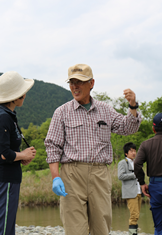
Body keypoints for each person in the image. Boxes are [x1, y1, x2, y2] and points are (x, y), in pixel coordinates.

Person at [45, 64, 142, 235]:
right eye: (72, 82)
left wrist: (133, 106)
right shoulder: (61, 112)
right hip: (72, 176)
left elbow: (128, 128)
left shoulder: (105, 110)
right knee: (75, 230)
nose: (75, 86)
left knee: (101, 228)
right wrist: (55, 178)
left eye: (80, 82)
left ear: (91, 83)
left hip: (99, 175)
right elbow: (52, 146)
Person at [0, 71, 37, 235]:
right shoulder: (3, 117)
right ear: (14, 96)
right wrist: (23, 155)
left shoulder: (8, 115)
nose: (25, 94)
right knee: (5, 226)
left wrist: (20, 157)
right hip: (6, 179)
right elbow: (4, 154)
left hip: (9, 177)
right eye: (22, 92)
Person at [134, 113, 162, 235]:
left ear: (153, 128)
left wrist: (142, 183)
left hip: (155, 186)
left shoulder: (146, 144)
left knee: (159, 226)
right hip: (155, 185)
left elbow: (137, 165)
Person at [118, 142, 142, 235]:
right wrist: (134, 175)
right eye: (131, 151)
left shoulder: (137, 162)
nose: (133, 153)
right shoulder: (122, 163)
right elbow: (120, 176)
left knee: (137, 215)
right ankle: (132, 234)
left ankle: (134, 233)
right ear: (126, 153)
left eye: (134, 150)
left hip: (138, 191)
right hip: (130, 192)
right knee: (134, 215)